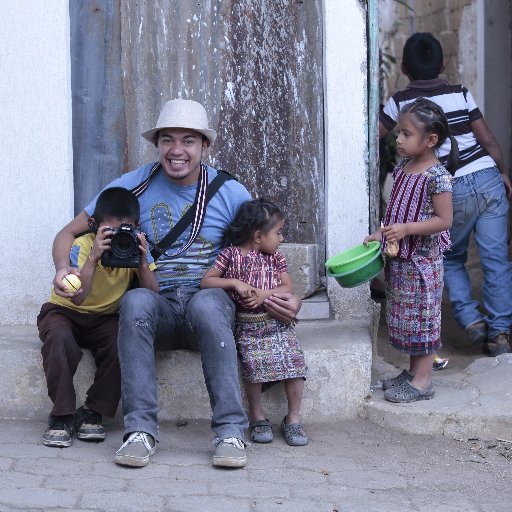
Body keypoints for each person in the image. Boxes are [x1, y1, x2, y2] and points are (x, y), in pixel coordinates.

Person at [51, 99, 302, 468]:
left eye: (188, 140)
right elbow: (67, 233)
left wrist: (287, 297)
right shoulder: (131, 186)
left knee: (207, 302)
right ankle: (140, 432)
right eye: (167, 140)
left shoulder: (229, 191)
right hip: (160, 304)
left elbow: (262, 248)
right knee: (135, 302)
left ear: (204, 146)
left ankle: (230, 432)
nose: (177, 150)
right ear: (158, 146)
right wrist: (61, 268)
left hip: (210, 302)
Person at [379, 32, 512, 357]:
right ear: (441, 65)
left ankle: (471, 320)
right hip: (486, 177)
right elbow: (489, 140)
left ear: (406, 68)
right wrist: (504, 172)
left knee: (451, 257)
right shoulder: (460, 92)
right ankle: (500, 334)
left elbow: (372, 136)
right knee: (495, 259)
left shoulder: (402, 101)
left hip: (452, 186)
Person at [38, 187, 158, 447]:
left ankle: (93, 411)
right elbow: (78, 297)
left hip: (105, 317)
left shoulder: (137, 249)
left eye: (123, 233)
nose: (117, 240)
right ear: (94, 226)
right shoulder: (82, 246)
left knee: (121, 343)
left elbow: (152, 294)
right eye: (110, 234)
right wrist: (93, 258)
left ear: (136, 227)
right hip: (65, 311)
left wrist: (141, 260)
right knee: (58, 341)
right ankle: (61, 415)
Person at [366, 97, 455, 402]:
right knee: (408, 318)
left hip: (423, 262)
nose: (398, 139)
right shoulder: (404, 166)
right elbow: (398, 210)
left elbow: (444, 220)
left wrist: (406, 230)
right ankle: (413, 372)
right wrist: (381, 232)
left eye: (406, 134)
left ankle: (423, 381)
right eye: (399, 132)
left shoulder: (438, 177)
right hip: (402, 259)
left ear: (431, 140)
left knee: (424, 318)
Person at [200, 198, 308, 446]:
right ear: (258, 236)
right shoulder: (230, 255)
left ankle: (293, 419)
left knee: (295, 365)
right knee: (253, 369)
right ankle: (257, 416)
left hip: (277, 324)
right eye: (278, 232)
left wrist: (264, 294)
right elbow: (207, 280)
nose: (281, 238)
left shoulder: (276, 259)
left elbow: (288, 286)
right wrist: (234, 283)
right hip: (248, 328)